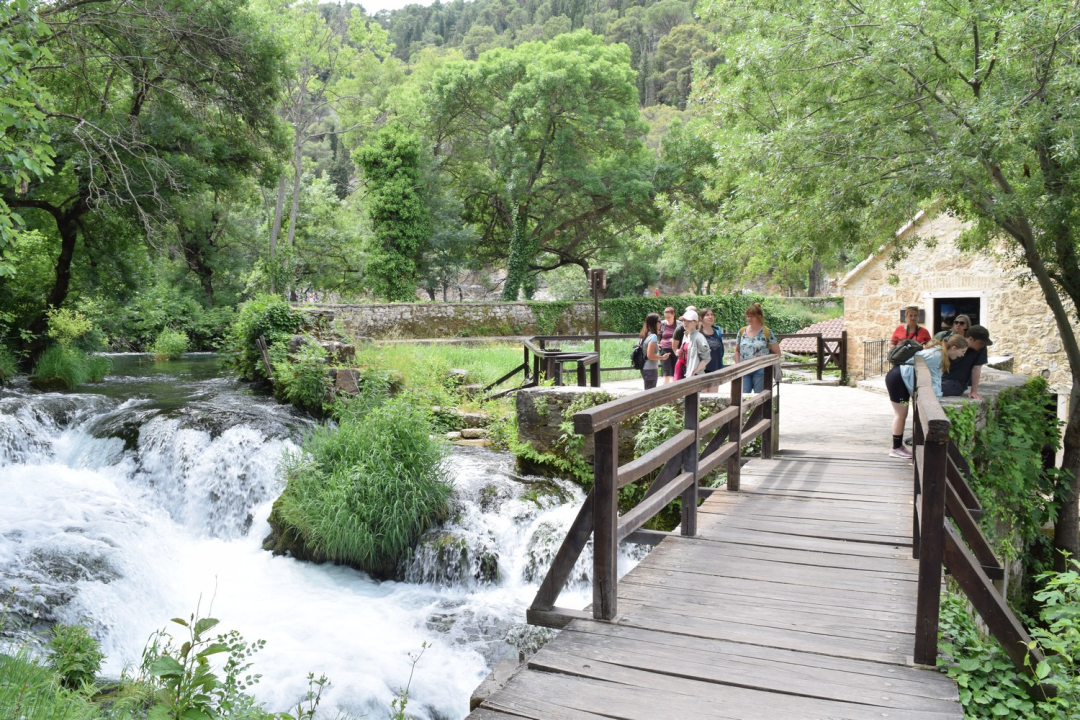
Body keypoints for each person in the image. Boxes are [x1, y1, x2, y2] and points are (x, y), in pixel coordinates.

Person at [885, 334, 969, 458]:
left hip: (899, 379)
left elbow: (934, 379)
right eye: (962, 351)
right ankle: (896, 448)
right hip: (897, 381)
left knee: (902, 414)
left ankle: (898, 446)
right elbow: (934, 382)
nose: (962, 355)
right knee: (900, 414)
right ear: (954, 348)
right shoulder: (937, 356)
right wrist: (937, 400)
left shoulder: (939, 352)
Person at [733, 303, 780, 394]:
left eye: (752, 316)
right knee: (744, 396)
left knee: (759, 396)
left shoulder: (767, 332)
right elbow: (737, 351)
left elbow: (777, 353)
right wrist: (738, 365)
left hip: (761, 370)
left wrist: (767, 364)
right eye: (748, 316)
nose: (749, 319)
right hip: (744, 368)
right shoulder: (742, 331)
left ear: (759, 316)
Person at [942, 325, 991, 400]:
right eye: (981, 342)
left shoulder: (981, 349)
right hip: (941, 378)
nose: (983, 345)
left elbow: (976, 369)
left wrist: (973, 392)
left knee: (933, 389)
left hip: (957, 384)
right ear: (971, 339)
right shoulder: (957, 343)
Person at [639, 313, 669, 390]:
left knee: (648, 391)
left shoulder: (644, 335)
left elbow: (644, 348)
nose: (660, 323)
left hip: (644, 367)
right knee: (650, 394)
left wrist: (656, 346)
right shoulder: (653, 337)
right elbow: (650, 356)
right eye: (659, 321)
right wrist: (663, 357)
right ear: (654, 323)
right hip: (650, 369)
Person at [679, 310, 711, 379]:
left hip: (695, 376)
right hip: (685, 372)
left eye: (688, 321)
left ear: (695, 322)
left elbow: (706, 358)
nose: (685, 323)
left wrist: (694, 371)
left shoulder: (699, 337)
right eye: (684, 320)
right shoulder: (685, 335)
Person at [699, 308, 724, 392]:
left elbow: (720, 351)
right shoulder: (698, 333)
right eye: (707, 315)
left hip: (715, 369)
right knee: (702, 398)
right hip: (702, 371)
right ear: (701, 318)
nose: (710, 317)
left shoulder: (717, 331)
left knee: (713, 398)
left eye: (712, 314)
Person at [659, 306, 678, 385]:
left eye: (669, 317)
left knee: (675, 370)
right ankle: (664, 391)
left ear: (673, 315)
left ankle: (675, 390)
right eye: (665, 317)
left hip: (675, 349)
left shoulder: (679, 324)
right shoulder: (662, 324)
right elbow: (655, 333)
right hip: (664, 349)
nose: (667, 319)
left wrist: (675, 340)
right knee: (666, 371)